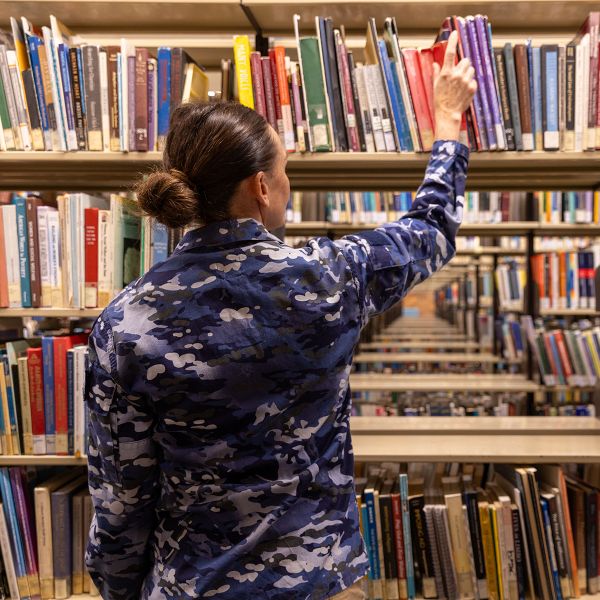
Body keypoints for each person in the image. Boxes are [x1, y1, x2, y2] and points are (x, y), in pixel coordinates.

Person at [85, 31, 476, 600]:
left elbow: (120, 496)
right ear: (261, 186)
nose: (289, 187)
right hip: (319, 582)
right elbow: (431, 228)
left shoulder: (125, 322)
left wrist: (125, 590)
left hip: (194, 586)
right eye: (286, 171)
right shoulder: (329, 278)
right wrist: (447, 124)